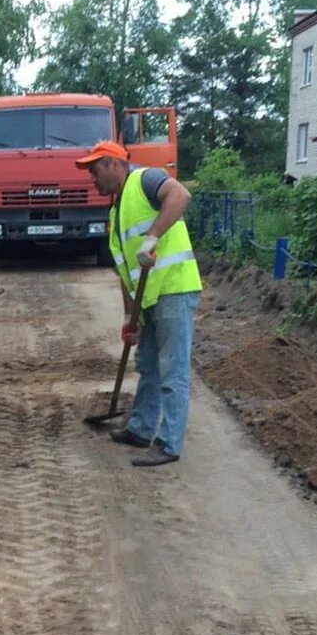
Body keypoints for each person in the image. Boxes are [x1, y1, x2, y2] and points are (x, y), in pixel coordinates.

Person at [75, 141, 202, 467]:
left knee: (172, 370)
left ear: (114, 164)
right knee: (148, 365)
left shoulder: (146, 180)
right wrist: (130, 316)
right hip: (147, 298)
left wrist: (153, 236)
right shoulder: (116, 211)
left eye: (94, 170)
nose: (92, 179)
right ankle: (141, 428)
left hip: (173, 289)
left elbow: (181, 196)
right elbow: (125, 270)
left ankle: (169, 444)